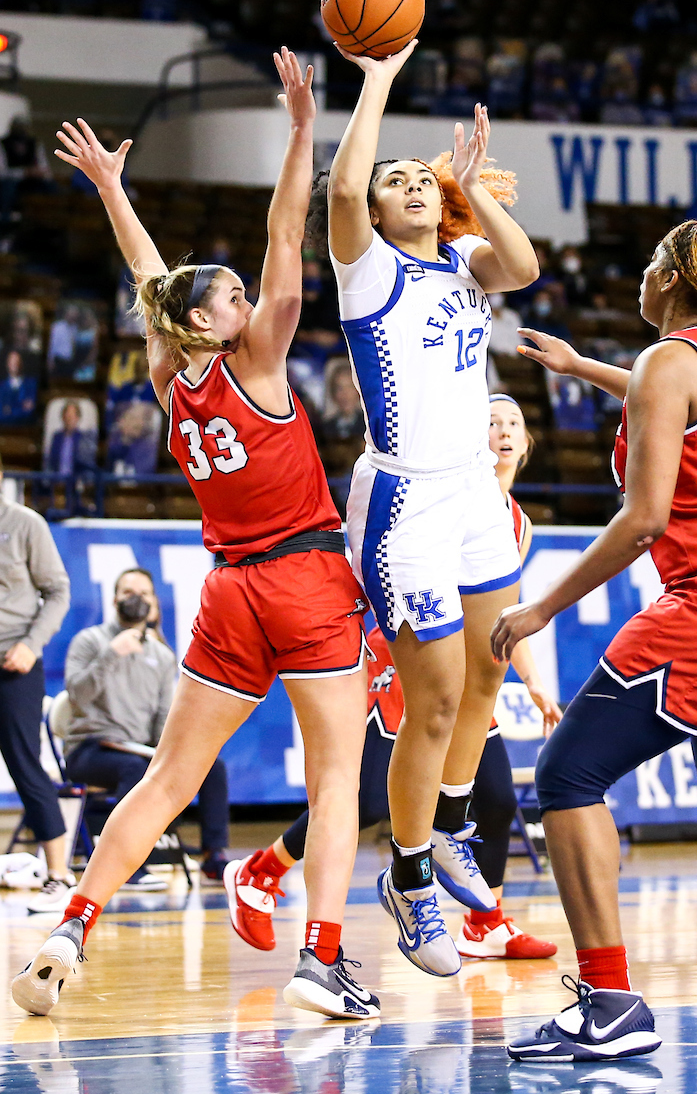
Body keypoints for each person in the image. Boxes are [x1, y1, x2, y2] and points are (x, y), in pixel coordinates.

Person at [13, 50, 379, 1022]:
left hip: (230, 592)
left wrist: (112, 192)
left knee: (171, 779)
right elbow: (282, 232)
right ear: (218, 321)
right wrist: (301, 132)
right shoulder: (257, 357)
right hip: (301, 578)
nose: (249, 302)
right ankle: (322, 957)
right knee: (338, 771)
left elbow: (149, 280)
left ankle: (70, 924)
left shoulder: (172, 376)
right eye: (233, 299)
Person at [491, 219, 697, 1063]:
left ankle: (610, 1002)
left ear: (669, 277)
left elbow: (645, 520)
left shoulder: (672, 361)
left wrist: (540, 609)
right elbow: (663, 390)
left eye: (649, 264)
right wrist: (580, 367)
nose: (639, 275)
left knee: (567, 773)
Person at [310, 54, 540, 977]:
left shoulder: (463, 261)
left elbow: (521, 265)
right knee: (436, 696)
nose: (406, 186)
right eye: (391, 181)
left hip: (474, 495)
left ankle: (448, 827)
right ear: (372, 211)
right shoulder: (368, 273)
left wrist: (469, 189)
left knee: (488, 675)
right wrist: (377, 79)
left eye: (417, 177)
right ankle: (409, 881)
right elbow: (342, 187)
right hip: (404, 499)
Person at [224, 395, 561, 961]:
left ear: (528, 446)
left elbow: (500, 621)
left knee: (497, 797)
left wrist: (529, 680)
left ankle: (486, 923)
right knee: (368, 799)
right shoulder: (437, 498)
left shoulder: (517, 523)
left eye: (514, 424)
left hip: (471, 677)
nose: (503, 432)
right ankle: (262, 870)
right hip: (406, 657)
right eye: (492, 423)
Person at [63, 567, 229, 888]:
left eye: (143, 593)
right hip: (91, 749)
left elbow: (164, 717)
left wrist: (176, 755)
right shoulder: (90, 641)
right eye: (128, 592)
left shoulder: (161, 654)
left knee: (212, 765)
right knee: (135, 768)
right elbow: (78, 698)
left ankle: (214, 857)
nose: (135, 599)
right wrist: (112, 655)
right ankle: (127, 867)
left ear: (153, 602)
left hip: (140, 749)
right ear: (114, 600)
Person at [0, 452, 72, 913]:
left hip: (15, 661)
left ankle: (60, 874)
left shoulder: (25, 524)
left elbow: (59, 590)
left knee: (26, 763)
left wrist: (31, 644)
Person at [47, 400, 96, 476]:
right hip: (57, 481)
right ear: (63, 418)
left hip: (76, 481)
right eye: (67, 416)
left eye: (72, 416)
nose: (69, 419)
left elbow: (86, 464)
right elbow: (50, 462)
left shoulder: (83, 438)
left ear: (77, 418)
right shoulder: (56, 437)